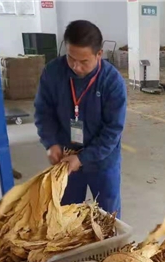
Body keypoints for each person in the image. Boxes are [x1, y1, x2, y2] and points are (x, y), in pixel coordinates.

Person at [34, 20, 126, 216]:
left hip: (102, 160)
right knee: (67, 213)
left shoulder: (112, 82)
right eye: (71, 58)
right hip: (66, 158)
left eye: (84, 61)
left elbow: (112, 131)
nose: (76, 66)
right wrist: (51, 142)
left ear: (99, 54)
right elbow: (43, 112)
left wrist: (83, 158)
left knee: (108, 215)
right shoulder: (53, 73)